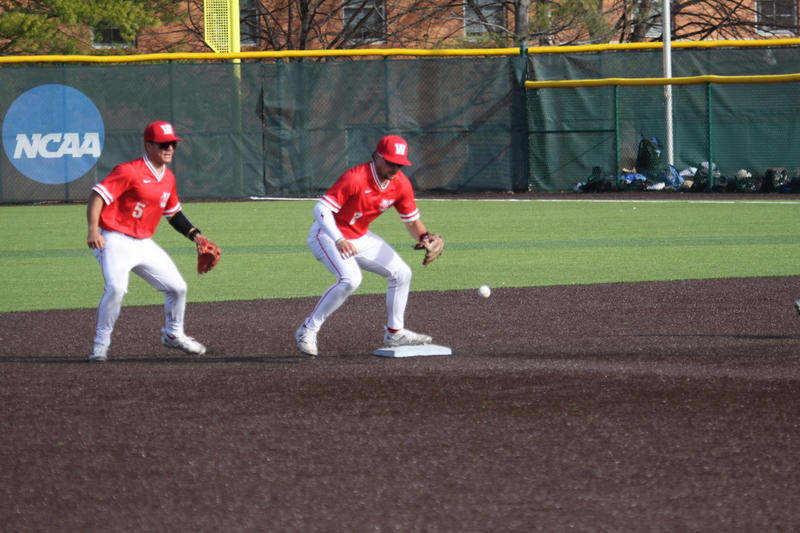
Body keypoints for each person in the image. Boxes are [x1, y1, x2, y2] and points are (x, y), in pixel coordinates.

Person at [295, 134, 441, 356]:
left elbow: (411, 221)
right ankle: (308, 329)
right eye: (391, 162)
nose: (395, 167)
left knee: (402, 273)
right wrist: (339, 239)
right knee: (350, 279)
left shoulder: (400, 183)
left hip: (359, 236)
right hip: (326, 233)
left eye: (400, 164)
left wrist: (425, 237)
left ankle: (395, 332)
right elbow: (321, 210)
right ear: (377, 157)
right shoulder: (355, 178)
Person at [86, 121, 211, 362]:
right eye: (164, 144)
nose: (170, 148)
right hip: (114, 239)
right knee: (117, 288)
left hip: (143, 243)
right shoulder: (129, 171)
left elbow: (172, 213)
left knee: (178, 288)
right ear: (148, 145)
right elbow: (97, 196)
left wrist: (195, 234)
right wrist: (93, 230)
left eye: (172, 143)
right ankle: (101, 343)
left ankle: (174, 335)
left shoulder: (168, 178)